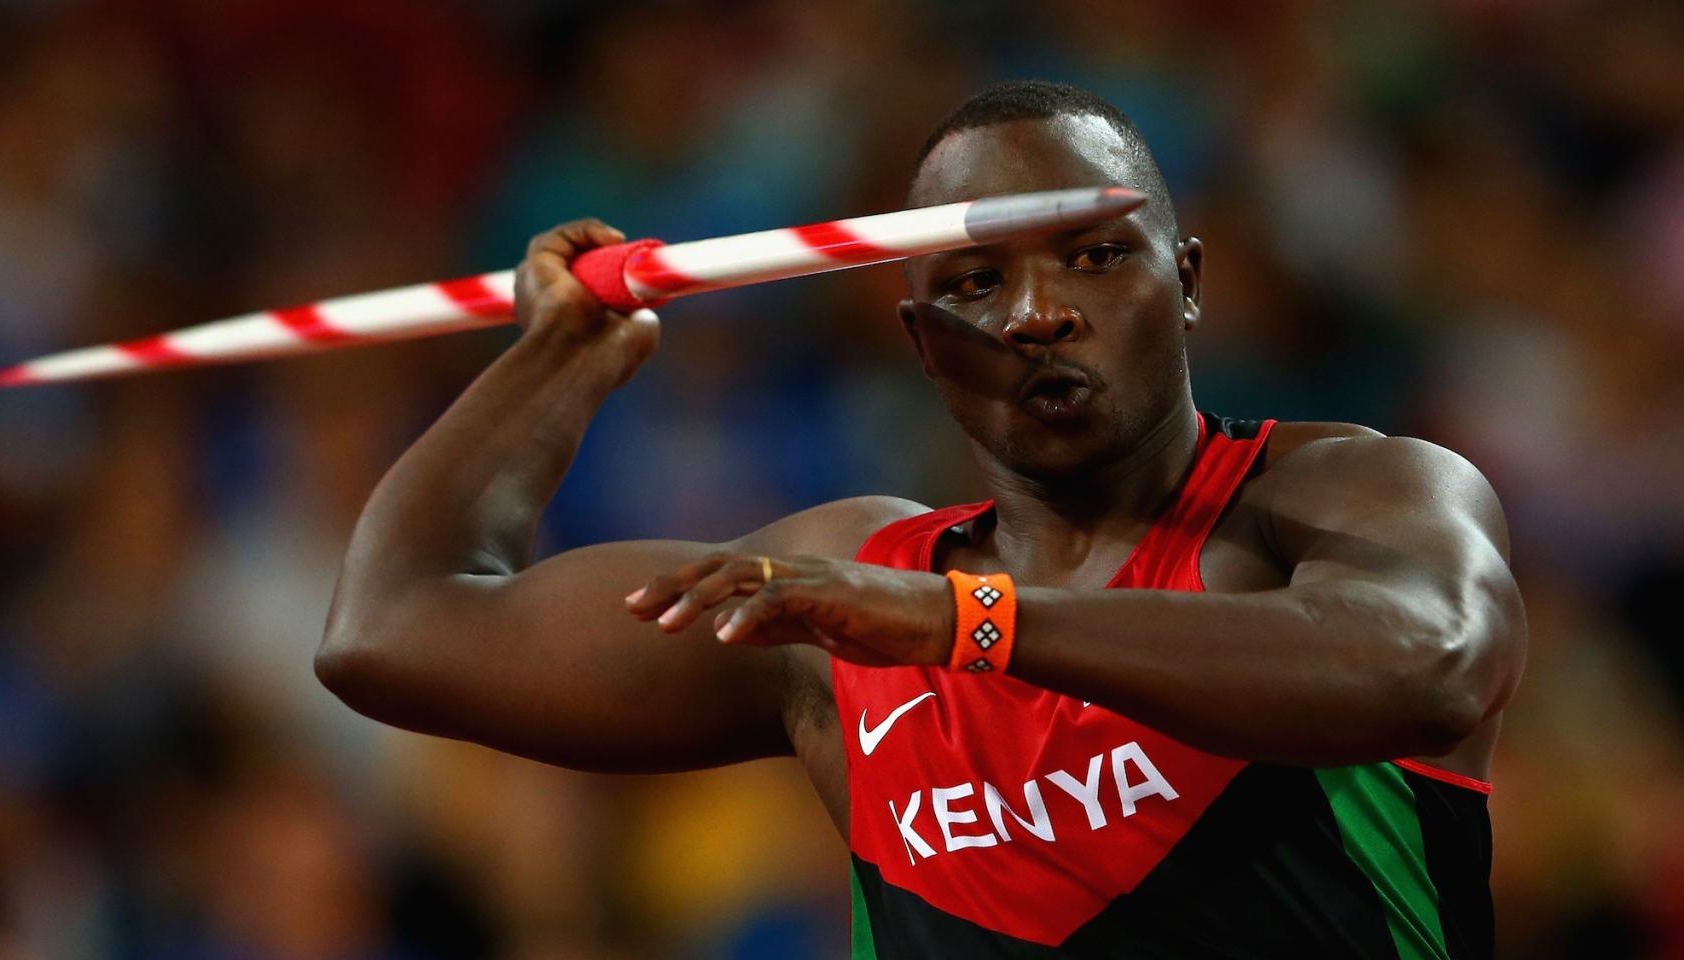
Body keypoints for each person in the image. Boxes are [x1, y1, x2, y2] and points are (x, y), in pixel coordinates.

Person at [315, 80, 1525, 958]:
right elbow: (394, 627)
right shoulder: (846, 594)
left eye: (1094, 256)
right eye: (975, 283)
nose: (1037, 312)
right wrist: (558, 363)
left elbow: (1426, 664)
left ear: (1187, 281)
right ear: (923, 344)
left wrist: (967, 624)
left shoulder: (1336, 495)